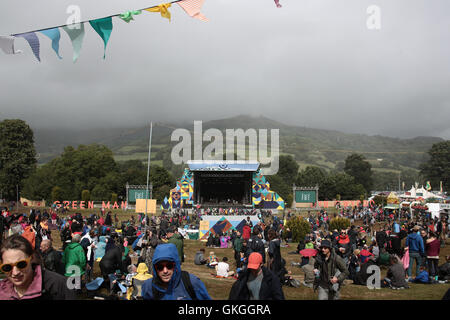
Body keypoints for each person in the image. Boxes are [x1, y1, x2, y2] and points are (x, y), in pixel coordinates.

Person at [0, 235, 77, 300]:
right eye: (7, 267)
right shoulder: (2, 290)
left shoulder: (59, 285)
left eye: (21, 264)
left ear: (32, 259)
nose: (15, 272)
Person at [142, 243, 211, 300]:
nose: (165, 271)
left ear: (175, 265)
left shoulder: (191, 282)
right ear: (155, 268)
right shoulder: (148, 286)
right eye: (160, 267)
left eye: (169, 266)